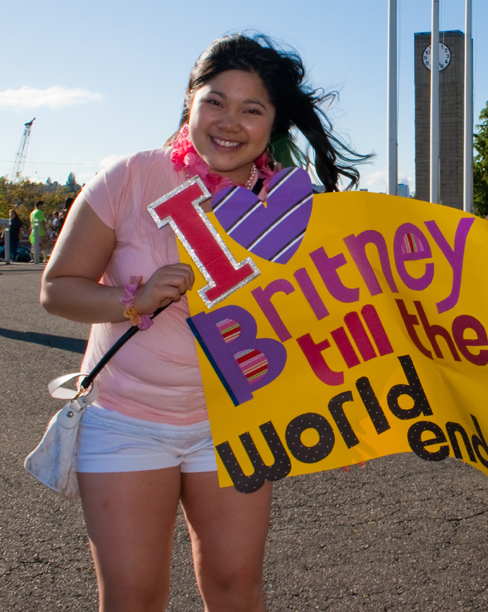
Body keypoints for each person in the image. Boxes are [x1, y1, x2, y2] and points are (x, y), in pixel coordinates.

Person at [40, 33, 367, 611]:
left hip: (235, 423)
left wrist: (474, 253)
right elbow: (56, 290)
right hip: (125, 422)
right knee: (133, 598)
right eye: (215, 101)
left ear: (274, 124)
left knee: (235, 589)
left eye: (252, 108)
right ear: (189, 101)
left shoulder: (292, 206)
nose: (229, 121)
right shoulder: (131, 177)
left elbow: (371, 292)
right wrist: (130, 302)